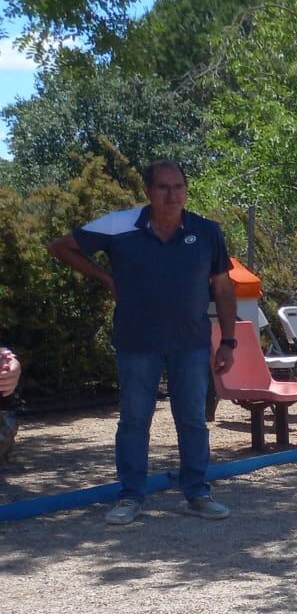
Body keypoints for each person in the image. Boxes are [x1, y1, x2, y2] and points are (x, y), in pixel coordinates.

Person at [47, 160, 237, 524]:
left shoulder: (206, 231)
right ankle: (130, 496)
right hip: (137, 341)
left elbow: (223, 289)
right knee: (134, 420)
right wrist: (105, 277)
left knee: (193, 420)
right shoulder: (119, 225)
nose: (172, 195)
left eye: (179, 186)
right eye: (164, 188)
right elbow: (62, 247)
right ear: (148, 191)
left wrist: (228, 340)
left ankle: (197, 492)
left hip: (191, 342)